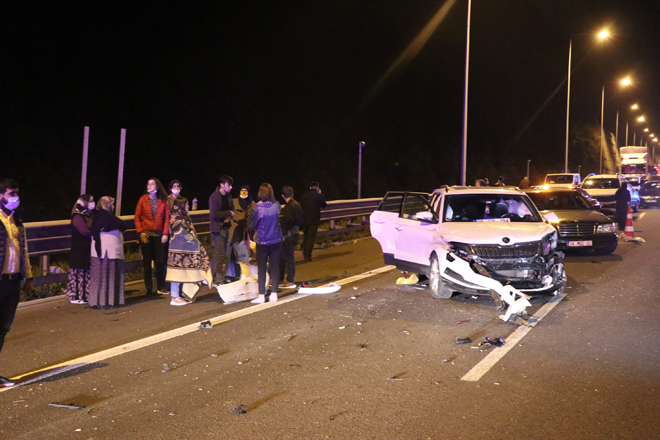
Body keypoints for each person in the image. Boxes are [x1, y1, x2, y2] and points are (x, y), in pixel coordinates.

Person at [0, 178, 33, 387]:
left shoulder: (17, 220)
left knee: (3, 328)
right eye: (11, 193)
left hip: (13, 282)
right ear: (0, 196)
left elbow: (24, 251)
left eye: (16, 193)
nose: (16, 197)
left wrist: (28, 276)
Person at [165, 196, 212, 306]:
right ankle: (175, 296)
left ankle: (182, 294)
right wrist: (195, 242)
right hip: (178, 248)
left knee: (184, 272)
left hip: (182, 248)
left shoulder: (182, 217)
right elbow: (183, 234)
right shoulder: (178, 218)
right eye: (186, 205)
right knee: (177, 272)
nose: (188, 206)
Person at [248, 183, 283, 303]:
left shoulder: (257, 208)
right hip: (276, 240)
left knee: (262, 268)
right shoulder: (277, 205)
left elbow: (251, 224)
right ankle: (274, 294)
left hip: (262, 241)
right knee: (275, 267)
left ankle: (261, 295)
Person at [89, 196, 126, 309]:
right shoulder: (108, 217)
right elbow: (122, 225)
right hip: (108, 251)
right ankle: (108, 300)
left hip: (99, 252)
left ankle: (96, 300)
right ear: (106, 205)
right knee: (109, 276)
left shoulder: (97, 217)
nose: (113, 206)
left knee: (98, 276)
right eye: (111, 204)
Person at [135, 178, 170, 295]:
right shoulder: (143, 199)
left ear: (157, 187)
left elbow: (167, 219)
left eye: (152, 184)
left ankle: (160, 286)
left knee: (160, 262)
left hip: (159, 235)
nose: (149, 186)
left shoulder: (163, 201)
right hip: (146, 235)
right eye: (148, 184)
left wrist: (165, 233)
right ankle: (149, 288)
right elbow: (137, 217)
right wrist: (140, 232)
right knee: (147, 263)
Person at [67, 194, 94, 304]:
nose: (92, 203)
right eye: (90, 201)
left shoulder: (87, 214)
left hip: (85, 248)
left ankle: (84, 295)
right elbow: (83, 231)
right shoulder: (77, 215)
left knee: (85, 270)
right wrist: (94, 235)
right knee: (78, 271)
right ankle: (76, 296)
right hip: (78, 248)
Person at [209, 175, 234, 285]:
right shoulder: (214, 197)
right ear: (222, 185)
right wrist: (228, 213)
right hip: (217, 229)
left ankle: (208, 276)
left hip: (226, 227)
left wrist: (229, 216)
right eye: (229, 185)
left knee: (220, 254)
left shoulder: (228, 196)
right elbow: (215, 213)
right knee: (220, 255)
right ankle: (219, 279)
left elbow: (232, 209)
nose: (231, 187)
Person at [279, 185, 303, 289]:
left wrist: (283, 231)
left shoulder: (288, 207)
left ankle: (289, 280)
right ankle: (284, 279)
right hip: (295, 233)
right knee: (288, 257)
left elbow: (288, 221)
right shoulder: (297, 204)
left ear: (283, 196)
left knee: (287, 258)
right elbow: (301, 220)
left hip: (288, 234)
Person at [229, 185, 255, 278]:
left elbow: (253, 217)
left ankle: (243, 274)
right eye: (242, 190)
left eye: (246, 191)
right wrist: (243, 221)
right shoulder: (234, 202)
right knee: (232, 254)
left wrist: (248, 225)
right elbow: (233, 214)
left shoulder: (252, 204)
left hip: (245, 232)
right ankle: (232, 275)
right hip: (234, 231)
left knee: (243, 254)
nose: (244, 192)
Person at [300, 181, 327, 262]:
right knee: (310, 238)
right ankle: (308, 256)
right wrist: (320, 194)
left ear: (310, 187)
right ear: (317, 188)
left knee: (306, 237)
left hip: (305, 219)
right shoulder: (318, 196)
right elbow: (324, 205)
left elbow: (301, 206)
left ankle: (305, 253)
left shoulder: (304, 195)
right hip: (314, 220)